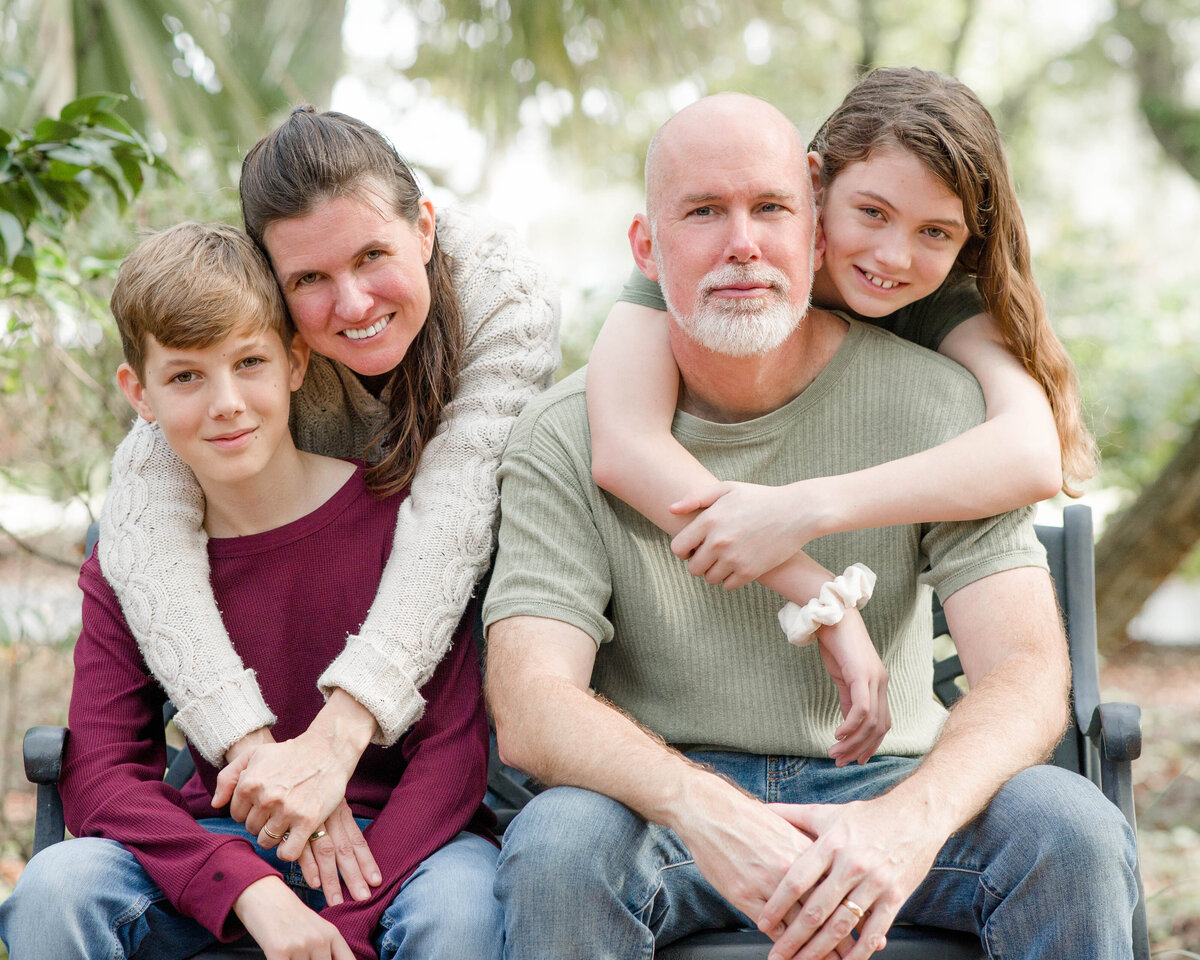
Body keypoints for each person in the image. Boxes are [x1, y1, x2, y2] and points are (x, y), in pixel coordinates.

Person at [483, 93, 1138, 960]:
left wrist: (913, 821)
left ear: (813, 233)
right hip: (662, 800)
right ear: (647, 246)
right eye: (704, 213)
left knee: (1070, 827)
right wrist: (704, 808)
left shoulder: (941, 401)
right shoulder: (571, 432)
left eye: (770, 210)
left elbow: (1022, 668)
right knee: (561, 844)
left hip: (890, 785)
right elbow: (532, 703)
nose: (742, 243)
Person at [0, 223, 500, 960]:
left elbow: (453, 753)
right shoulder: (132, 562)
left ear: (297, 362)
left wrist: (346, 922)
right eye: (186, 377)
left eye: (249, 363)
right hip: (221, 847)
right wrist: (247, 890)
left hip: (403, 845)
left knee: (464, 909)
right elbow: (103, 773)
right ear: (139, 392)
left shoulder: (403, 525)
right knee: (59, 886)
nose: (226, 402)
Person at [95, 107, 559, 889]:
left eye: (373, 255)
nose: (351, 304)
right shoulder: (252, 343)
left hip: (466, 624)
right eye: (309, 279)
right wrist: (256, 753)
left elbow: (455, 517)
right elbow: (143, 506)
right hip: (298, 617)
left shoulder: (501, 298)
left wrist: (339, 736)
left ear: (425, 229)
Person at [587, 67, 1096, 658]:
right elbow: (626, 445)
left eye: (935, 231)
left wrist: (803, 510)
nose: (893, 255)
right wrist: (817, 592)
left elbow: (1031, 455)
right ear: (816, 186)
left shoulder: (944, 303)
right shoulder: (720, 267)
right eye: (873, 212)